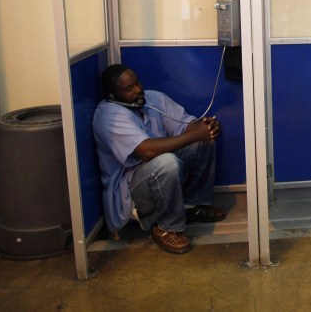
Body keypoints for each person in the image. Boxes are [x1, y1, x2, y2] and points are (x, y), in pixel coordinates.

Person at [93, 64, 226, 254]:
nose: (138, 89)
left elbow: (186, 126)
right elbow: (146, 152)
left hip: (158, 172)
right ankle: (167, 228)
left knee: (204, 141)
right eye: (129, 89)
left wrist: (207, 128)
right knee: (167, 162)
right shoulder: (109, 116)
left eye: (137, 83)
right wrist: (196, 134)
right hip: (131, 189)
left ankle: (191, 206)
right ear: (114, 96)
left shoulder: (152, 99)